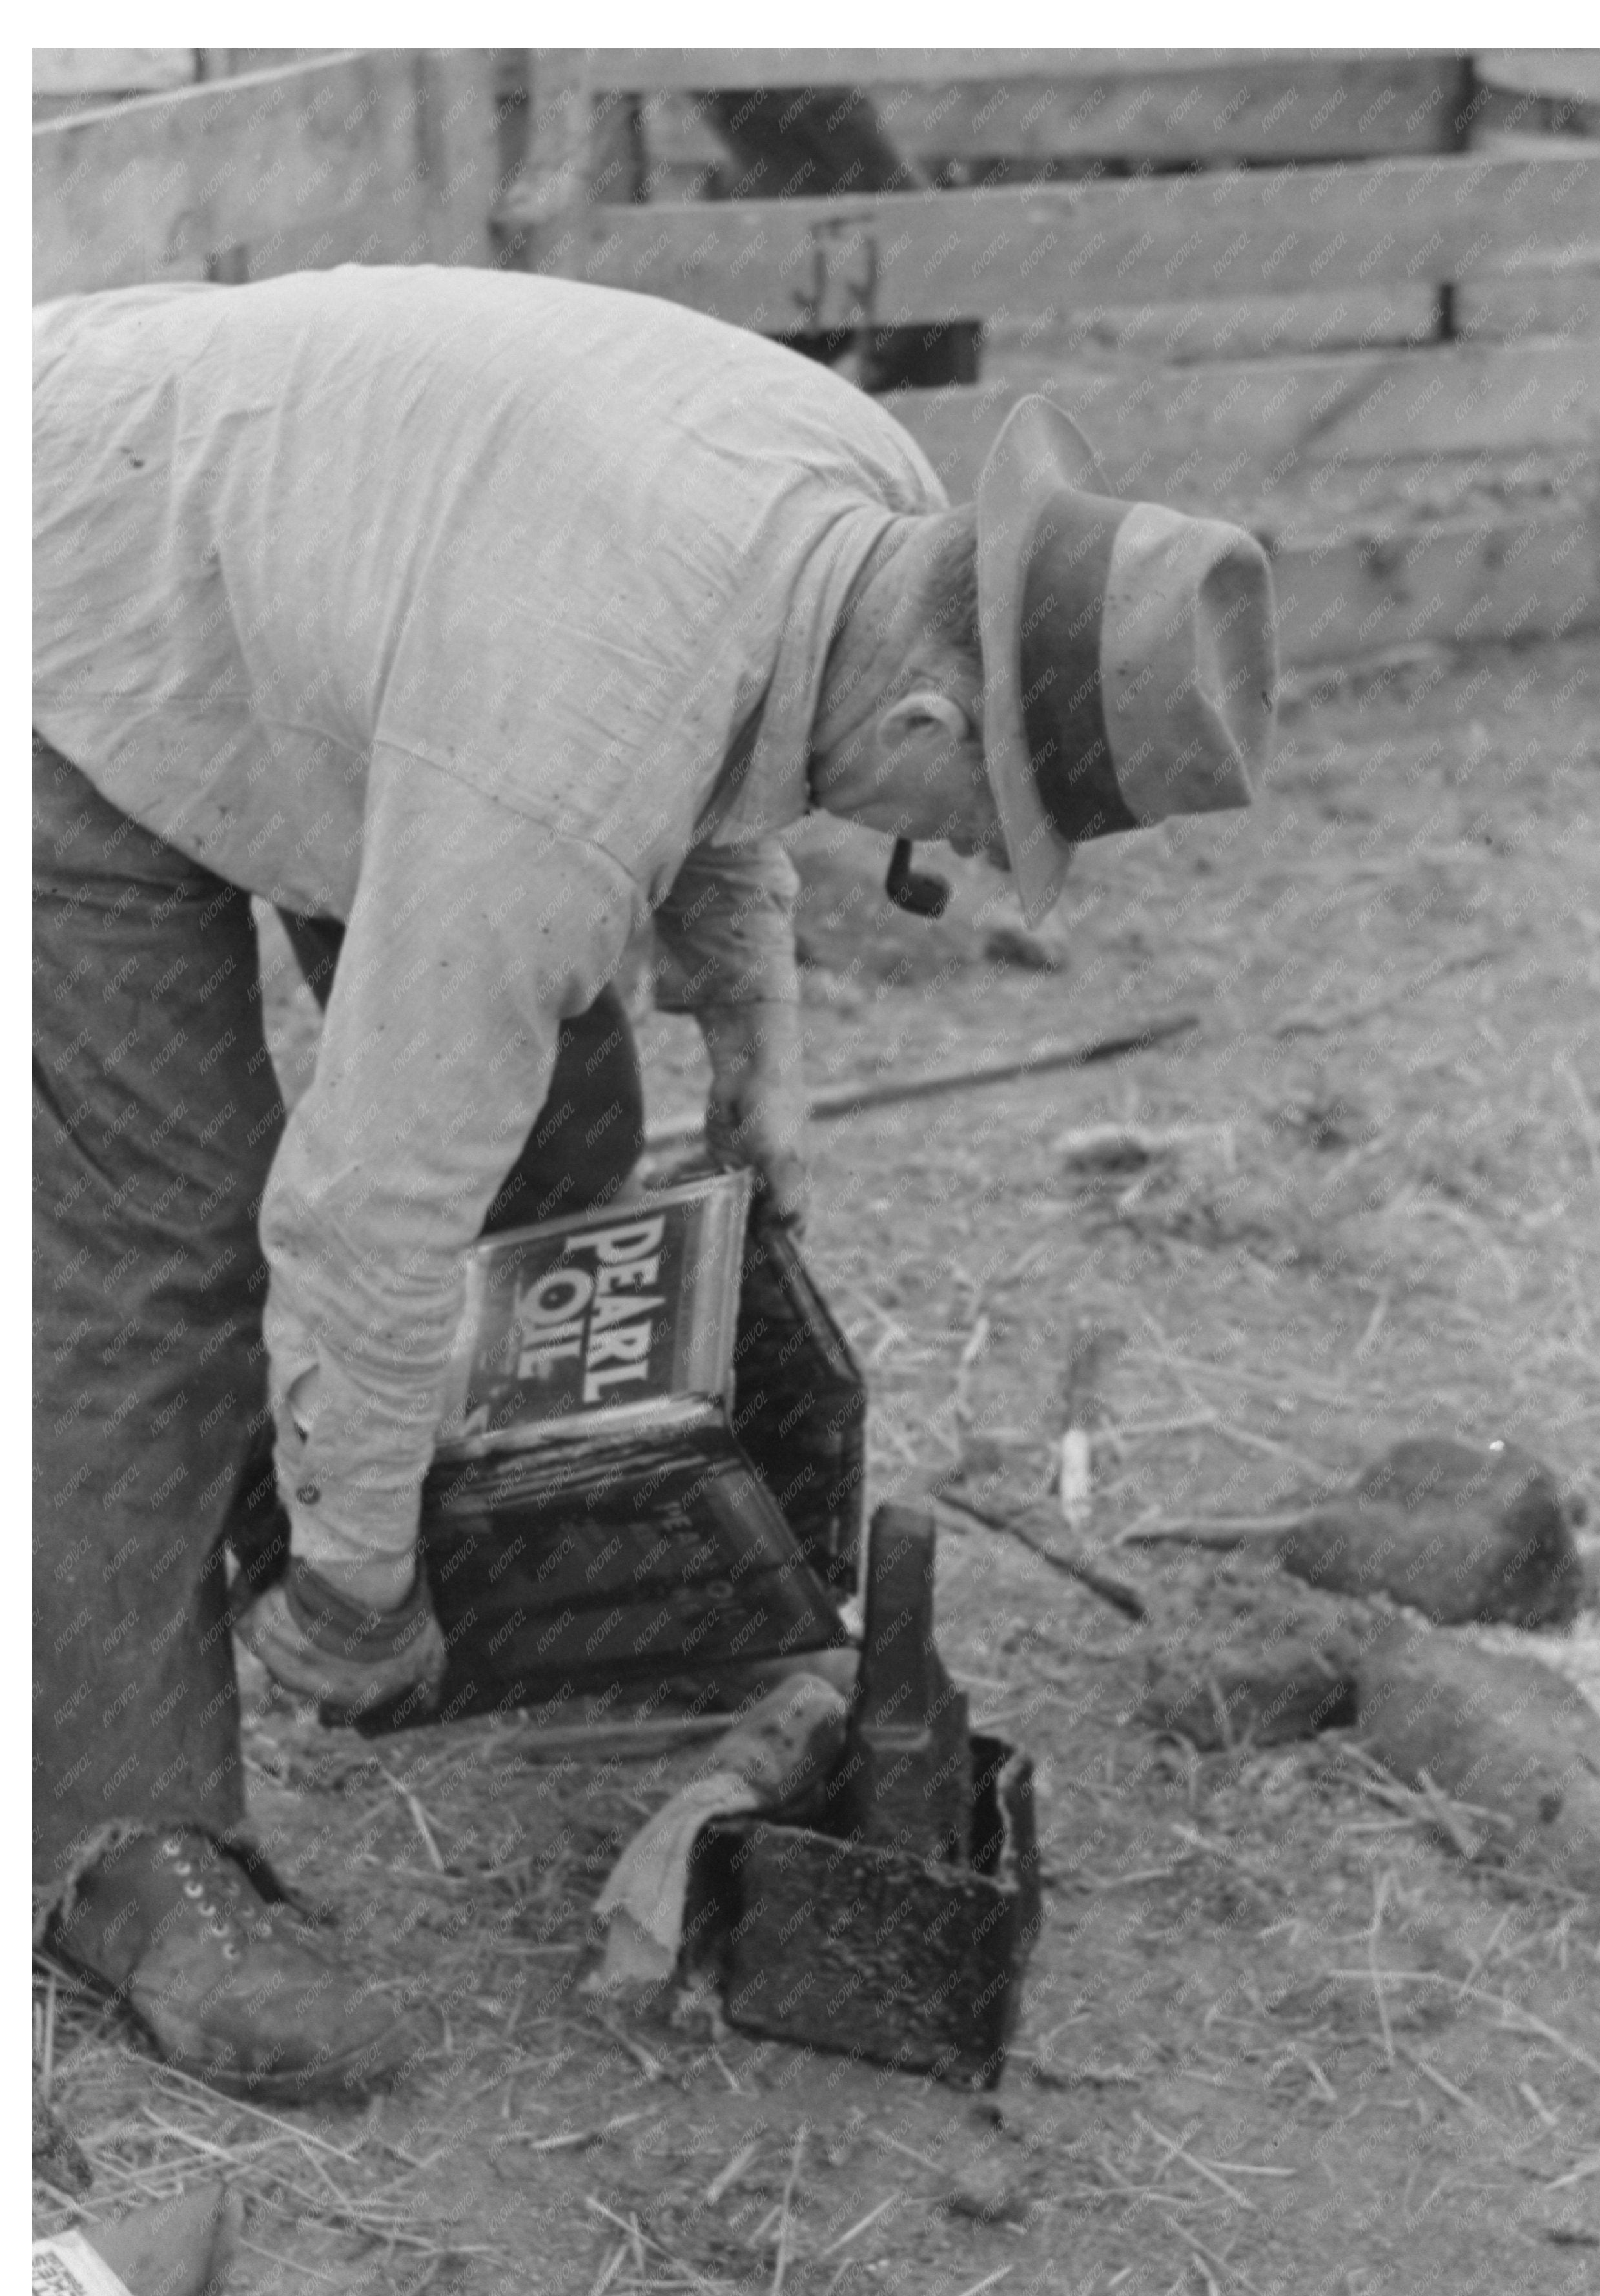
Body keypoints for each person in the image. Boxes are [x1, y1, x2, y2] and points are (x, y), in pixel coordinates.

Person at [33, 264, 1275, 2098]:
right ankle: (116, 1847)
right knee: (178, 1252)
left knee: (559, 1116)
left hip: (342, 604)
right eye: (964, 830)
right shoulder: (562, 740)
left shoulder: (852, 499)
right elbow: (361, 1206)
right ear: (936, 733)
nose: (934, 851)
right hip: (81, 588)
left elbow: (730, 738)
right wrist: (365, 1599)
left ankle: (359, 1516)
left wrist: (752, 1050)